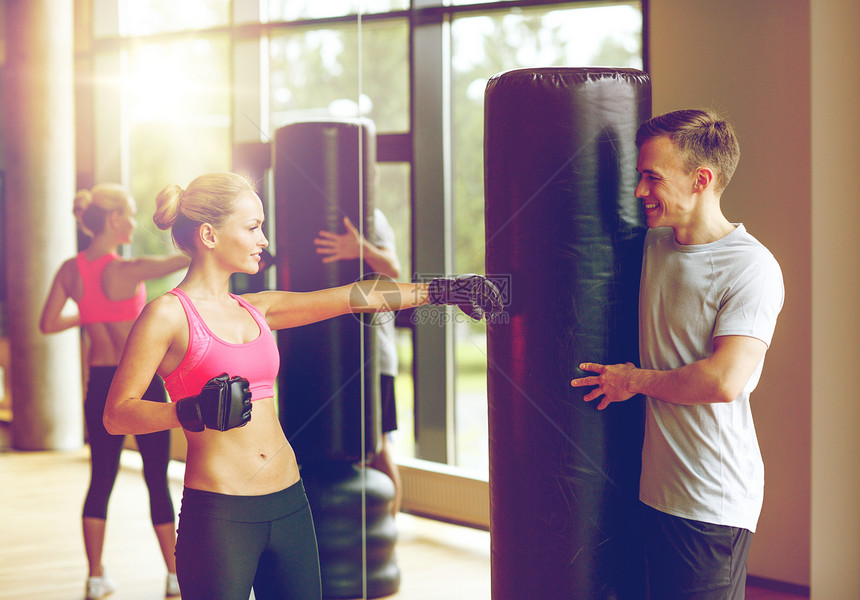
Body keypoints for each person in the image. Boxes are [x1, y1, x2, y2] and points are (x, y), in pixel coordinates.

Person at [102, 171, 502, 600]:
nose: (264, 240)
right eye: (252, 227)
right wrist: (188, 411)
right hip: (220, 514)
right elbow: (116, 413)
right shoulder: (166, 315)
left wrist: (442, 290)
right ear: (209, 235)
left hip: (289, 502)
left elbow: (355, 295)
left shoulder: (257, 309)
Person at [570, 109, 784, 600]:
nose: (641, 191)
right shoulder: (653, 245)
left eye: (653, 178)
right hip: (652, 491)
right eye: (639, 177)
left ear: (701, 180)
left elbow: (722, 381)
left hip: (711, 499)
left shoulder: (752, 267)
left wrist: (634, 381)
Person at [39, 184, 190, 599]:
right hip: (139, 385)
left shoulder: (70, 270)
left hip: (100, 385)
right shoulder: (129, 268)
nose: (133, 222)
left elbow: (48, 323)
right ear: (112, 219)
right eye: (129, 213)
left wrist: (87, 314)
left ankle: (95, 577)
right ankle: (175, 577)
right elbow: (183, 258)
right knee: (157, 481)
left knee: (100, 479)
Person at [313, 210, 403, 515]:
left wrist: (361, 248)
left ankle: (389, 529)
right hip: (331, 357)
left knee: (378, 447)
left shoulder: (373, 217)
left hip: (375, 356)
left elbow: (394, 269)